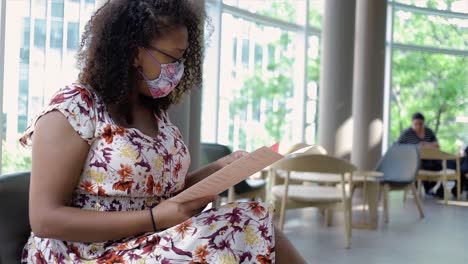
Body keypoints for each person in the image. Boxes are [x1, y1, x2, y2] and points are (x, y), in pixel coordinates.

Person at [19, 1, 306, 263]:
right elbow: (45, 220)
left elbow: (154, 195)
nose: (178, 69)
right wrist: (154, 219)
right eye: (173, 57)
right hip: (83, 253)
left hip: (143, 241)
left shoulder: (155, 112)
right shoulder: (75, 107)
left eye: (183, 59)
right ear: (133, 53)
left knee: (251, 220)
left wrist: (219, 169)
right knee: (247, 223)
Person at [397, 112, 441, 194]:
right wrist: (416, 146)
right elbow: (397, 146)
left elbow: (437, 145)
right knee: (419, 165)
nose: (418, 126)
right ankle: (418, 186)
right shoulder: (406, 133)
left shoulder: (429, 132)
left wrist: (427, 144)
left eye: (420, 124)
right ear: (412, 123)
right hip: (412, 160)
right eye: (416, 124)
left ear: (423, 123)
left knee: (439, 165)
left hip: (429, 160)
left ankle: (429, 187)